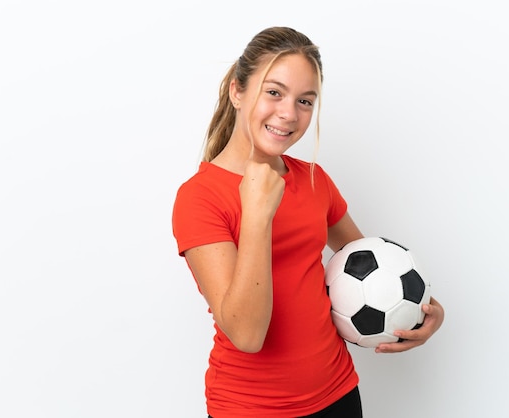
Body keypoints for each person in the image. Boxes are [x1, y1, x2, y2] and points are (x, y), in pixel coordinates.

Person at [172, 26, 444, 418]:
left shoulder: (314, 179)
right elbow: (247, 335)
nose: (288, 114)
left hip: (338, 395)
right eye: (274, 92)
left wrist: (425, 312)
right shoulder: (199, 197)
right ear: (237, 91)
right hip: (250, 408)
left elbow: (371, 267)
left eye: (305, 101)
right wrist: (257, 214)